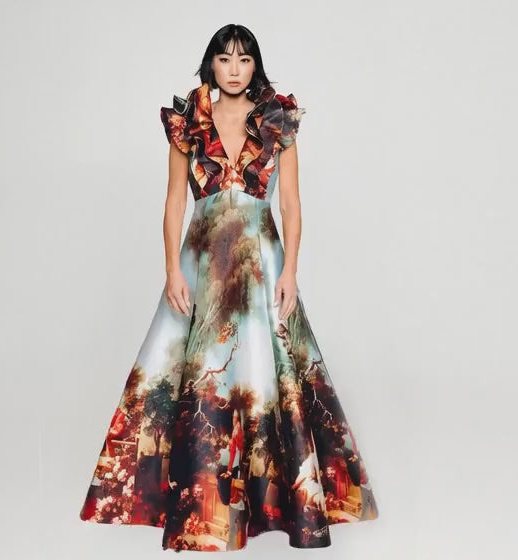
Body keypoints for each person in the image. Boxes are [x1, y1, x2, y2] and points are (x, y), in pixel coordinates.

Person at [80, 23, 379, 552]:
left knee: (270, 377)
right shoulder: (189, 123)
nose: (234, 69)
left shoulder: (277, 120)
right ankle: (202, 514)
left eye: (244, 59)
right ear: (211, 64)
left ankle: (273, 507)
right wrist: (171, 270)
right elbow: (175, 201)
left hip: (262, 268)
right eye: (225, 59)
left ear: (255, 65)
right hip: (201, 268)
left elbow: (291, 205)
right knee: (187, 381)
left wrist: (290, 271)